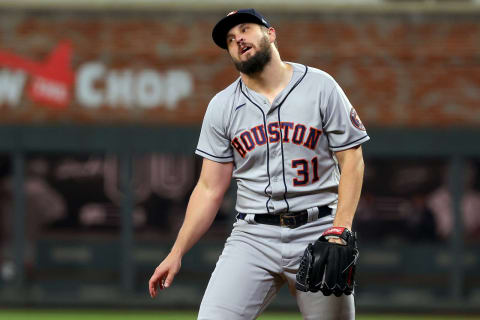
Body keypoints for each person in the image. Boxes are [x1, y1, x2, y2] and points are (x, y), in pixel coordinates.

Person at [149, 8, 369, 320]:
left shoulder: (321, 87)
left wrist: (341, 228)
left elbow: (353, 161)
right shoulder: (222, 107)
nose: (238, 39)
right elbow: (210, 188)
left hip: (318, 229)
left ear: (271, 33)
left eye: (245, 29)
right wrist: (177, 251)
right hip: (252, 236)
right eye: (229, 39)